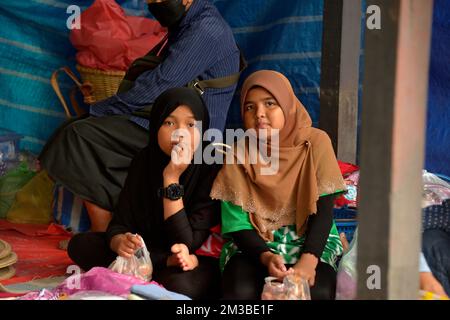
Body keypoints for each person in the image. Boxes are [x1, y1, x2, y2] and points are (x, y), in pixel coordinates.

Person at [39, 0, 240, 232]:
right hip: (165, 126)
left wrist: (101, 109)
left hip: (192, 140)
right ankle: (112, 233)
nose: (154, 4)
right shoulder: (187, 23)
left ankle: (103, 233)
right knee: (80, 131)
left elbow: (160, 83)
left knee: (78, 136)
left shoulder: (206, 29)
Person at [68, 87, 222, 299]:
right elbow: (120, 222)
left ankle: (143, 272)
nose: (180, 133)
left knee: (181, 284)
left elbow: (186, 242)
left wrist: (171, 178)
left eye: (190, 124)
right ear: (155, 127)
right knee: (80, 245)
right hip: (149, 251)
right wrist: (119, 241)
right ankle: (151, 268)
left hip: (188, 257)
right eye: (169, 122)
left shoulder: (210, 168)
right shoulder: (144, 161)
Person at [210, 70, 347, 300]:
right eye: (249, 107)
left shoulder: (316, 143)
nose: (259, 114)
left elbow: (323, 213)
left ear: (288, 106)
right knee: (240, 291)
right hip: (257, 241)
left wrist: (308, 262)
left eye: (270, 104)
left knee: (318, 292)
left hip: (310, 239)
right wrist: (266, 257)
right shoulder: (239, 153)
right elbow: (237, 224)